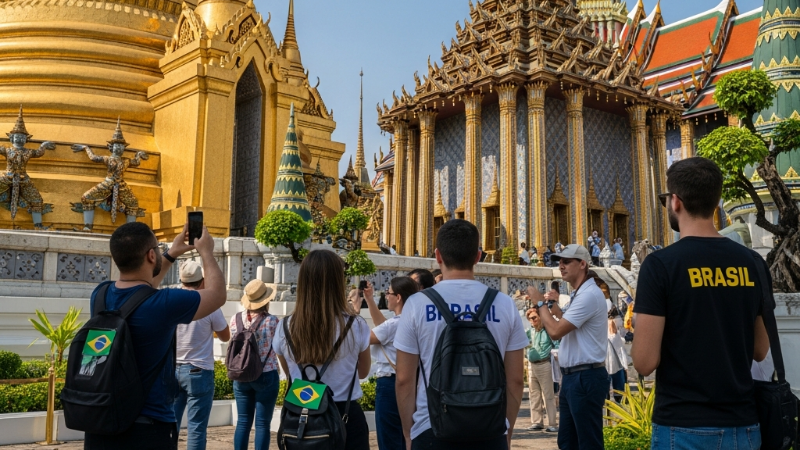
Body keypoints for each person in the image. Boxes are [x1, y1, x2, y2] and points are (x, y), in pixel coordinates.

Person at [631, 157, 769, 450]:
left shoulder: (661, 266)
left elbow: (644, 362)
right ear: (717, 202)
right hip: (742, 425)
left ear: (676, 202)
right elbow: (760, 350)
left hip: (683, 426)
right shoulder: (753, 263)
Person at [84, 221, 226, 450]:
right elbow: (217, 295)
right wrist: (206, 252)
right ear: (151, 255)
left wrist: (170, 254)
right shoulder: (164, 303)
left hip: (102, 420)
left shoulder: (100, 294)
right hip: (147, 427)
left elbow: (140, 292)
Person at [395, 219, 528, 450]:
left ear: (438, 256)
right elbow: (516, 380)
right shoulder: (504, 304)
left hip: (431, 428)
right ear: (478, 256)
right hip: (490, 428)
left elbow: (404, 380)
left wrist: (409, 432)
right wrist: (506, 428)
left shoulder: (416, 304)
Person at [274, 250, 372, 450]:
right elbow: (362, 372)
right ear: (338, 282)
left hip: (302, 413)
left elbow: (290, 374)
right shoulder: (356, 325)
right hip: (345, 413)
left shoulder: (285, 326)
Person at [527, 244, 607, 450]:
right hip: (574, 376)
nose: (561, 266)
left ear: (582, 264)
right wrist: (552, 307)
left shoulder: (589, 294)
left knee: (587, 442)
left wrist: (539, 304)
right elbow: (567, 321)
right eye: (559, 262)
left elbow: (555, 331)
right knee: (568, 441)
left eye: (567, 261)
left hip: (585, 376)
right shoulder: (579, 293)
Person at [173, 261, 231, 450]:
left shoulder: (170, 300)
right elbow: (225, 336)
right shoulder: (209, 303)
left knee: (169, 425)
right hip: (199, 369)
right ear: (202, 280)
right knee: (197, 428)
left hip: (173, 368)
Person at [363, 277, 420, 450]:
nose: (386, 297)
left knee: (389, 438)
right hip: (414, 383)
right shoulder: (413, 321)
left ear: (399, 297)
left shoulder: (394, 324)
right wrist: (370, 300)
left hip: (389, 384)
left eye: (388, 293)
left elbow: (361, 339)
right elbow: (383, 327)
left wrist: (353, 313)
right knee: (408, 436)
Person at [230, 279, 280, 450]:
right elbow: (280, 348)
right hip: (266, 373)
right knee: (262, 424)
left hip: (241, 374)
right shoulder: (273, 321)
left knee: (243, 421)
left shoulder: (235, 319)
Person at [525, 308, 558, 433]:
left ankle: (552, 423)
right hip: (532, 364)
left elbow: (558, 344)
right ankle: (537, 421)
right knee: (534, 394)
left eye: (534, 317)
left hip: (544, 364)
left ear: (540, 317)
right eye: (530, 318)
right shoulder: (530, 332)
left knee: (548, 395)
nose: (532, 320)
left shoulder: (548, 331)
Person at [606, 305, 627, 403]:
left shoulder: (604, 329)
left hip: (605, 363)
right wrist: (625, 364)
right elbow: (620, 350)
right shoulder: (615, 333)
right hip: (617, 364)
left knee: (606, 386)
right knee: (619, 386)